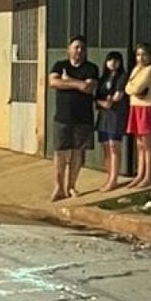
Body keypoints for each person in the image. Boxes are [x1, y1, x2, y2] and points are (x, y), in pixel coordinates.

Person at [48, 35, 99, 202]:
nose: (79, 50)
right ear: (69, 49)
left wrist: (69, 81)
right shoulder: (59, 65)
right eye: (76, 47)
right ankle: (59, 187)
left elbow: (88, 88)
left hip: (83, 118)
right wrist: (78, 84)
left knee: (78, 153)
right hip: (62, 118)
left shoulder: (91, 68)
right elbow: (53, 83)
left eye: (82, 48)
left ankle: (71, 186)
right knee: (60, 153)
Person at [125, 42, 151, 187]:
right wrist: (132, 88)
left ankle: (148, 175)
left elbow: (137, 87)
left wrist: (133, 88)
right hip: (135, 107)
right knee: (139, 143)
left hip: (147, 109)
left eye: (144, 54)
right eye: (138, 54)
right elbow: (128, 87)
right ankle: (140, 174)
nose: (140, 58)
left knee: (147, 144)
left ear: (150, 55)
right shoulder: (136, 69)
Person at [95, 49, 129, 191]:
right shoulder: (103, 78)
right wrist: (103, 103)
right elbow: (97, 98)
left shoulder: (123, 77)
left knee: (114, 146)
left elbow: (118, 95)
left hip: (116, 115)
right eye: (110, 60)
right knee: (106, 148)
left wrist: (111, 101)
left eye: (116, 60)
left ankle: (114, 179)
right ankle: (108, 176)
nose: (112, 63)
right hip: (104, 115)